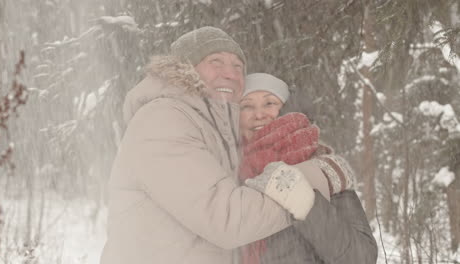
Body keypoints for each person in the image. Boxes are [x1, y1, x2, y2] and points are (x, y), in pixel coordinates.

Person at [100, 27, 328, 264]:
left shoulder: (215, 130)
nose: (230, 73)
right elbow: (227, 220)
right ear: (185, 68)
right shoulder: (162, 119)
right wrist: (317, 178)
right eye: (216, 62)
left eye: (238, 66)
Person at [239, 73, 378, 264]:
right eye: (247, 105)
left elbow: (361, 258)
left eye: (269, 103)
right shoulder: (222, 173)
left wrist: (305, 204)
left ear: (286, 110)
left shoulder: (322, 170)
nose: (259, 114)